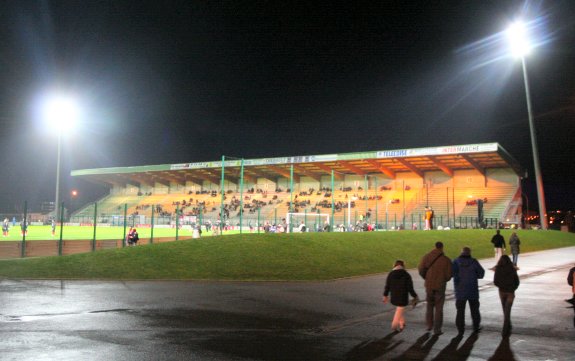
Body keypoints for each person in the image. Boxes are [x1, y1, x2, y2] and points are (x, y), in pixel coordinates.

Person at [418, 241, 452, 335]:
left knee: (429, 306)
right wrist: (443, 279)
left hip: (429, 285)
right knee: (439, 308)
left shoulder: (426, 257)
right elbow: (449, 275)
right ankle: (437, 329)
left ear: (434, 247)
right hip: (440, 286)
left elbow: (421, 269)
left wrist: (426, 277)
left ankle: (429, 325)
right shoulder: (446, 260)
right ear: (442, 248)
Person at [453, 246, 485, 334]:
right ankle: (476, 326)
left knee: (460, 311)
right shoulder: (474, 262)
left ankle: (460, 329)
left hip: (460, 290)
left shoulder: (455, 262)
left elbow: (452, 273)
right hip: (472, 289)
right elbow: (481, 274)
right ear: (469, 253)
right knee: (474, 310)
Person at [383, 260, 419, 332]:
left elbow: (387, 286)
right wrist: (415, 296)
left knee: (399, 309)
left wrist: (385, 295)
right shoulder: (406, 275)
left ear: (395, 265)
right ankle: (394, 325)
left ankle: (402, 323)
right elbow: (410, 288)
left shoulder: (391, 274)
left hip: (394, 297)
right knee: (399, 309)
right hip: (403, 297)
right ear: (403, 266)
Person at [494, 255, 520, 337]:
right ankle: (506, 329)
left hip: (502, 292)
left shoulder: (498, 269)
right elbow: (517, 281)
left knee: (505, 311)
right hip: (510, 292)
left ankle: (506, 329)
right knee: (507, 312)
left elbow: (495, 281)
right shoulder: (512, 269)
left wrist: (501, 286)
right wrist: (513, 288)